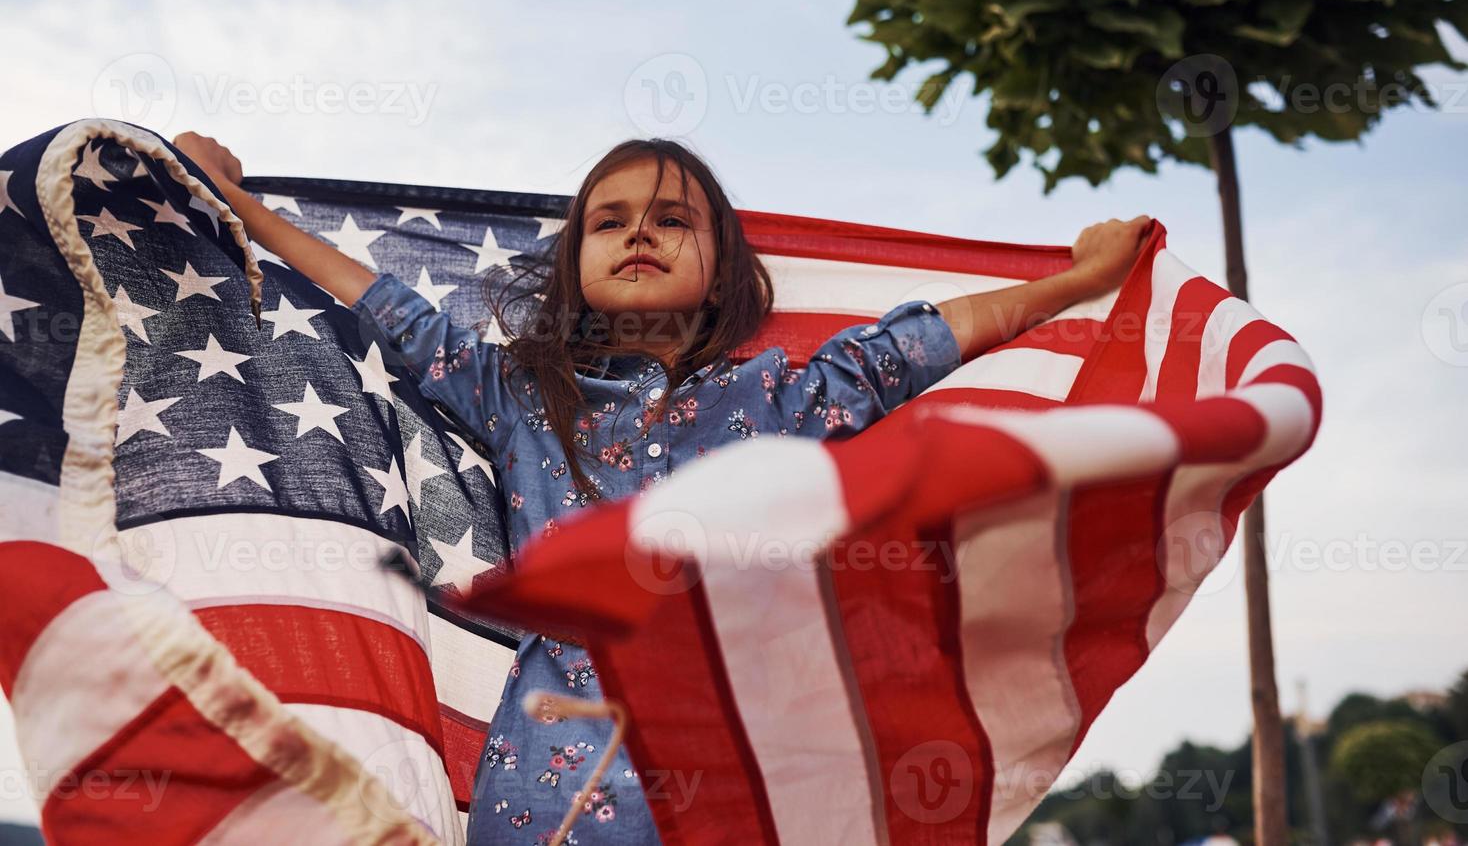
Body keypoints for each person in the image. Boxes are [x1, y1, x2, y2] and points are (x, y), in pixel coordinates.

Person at [172, 130, 1150, 845]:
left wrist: (1076, 281)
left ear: (721, 264)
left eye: (672, 219)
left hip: (738, 783)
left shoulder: (781, 394)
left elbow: (927, 337)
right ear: (575, 263)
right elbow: (377, 302)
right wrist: (239, 208)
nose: (640, 232)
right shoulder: (520, 393)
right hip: (543, 790)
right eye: (610, 221)